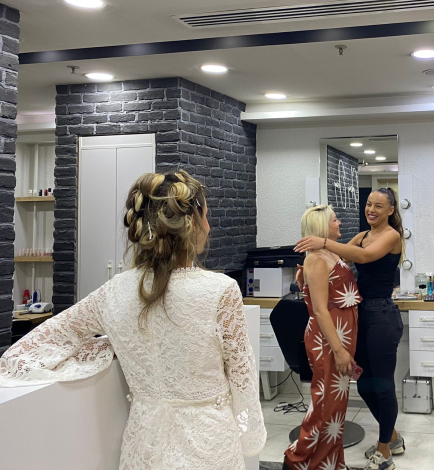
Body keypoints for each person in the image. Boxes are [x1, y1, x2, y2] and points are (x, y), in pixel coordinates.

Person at [0, 170, 266, 469]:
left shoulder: (113, 291)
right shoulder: (221, 290)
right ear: (193, 222)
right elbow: (242, 376)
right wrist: (250, 438)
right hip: (209, 441)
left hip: (144, 441)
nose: (209, 224)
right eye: (207, 215)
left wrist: (109, 346)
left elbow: (34, 346)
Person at [295, 188, 404, 470]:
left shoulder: (391, 235)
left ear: (390, 211)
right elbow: (341, 260)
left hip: (381, 316)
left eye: (378, 206)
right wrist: (308, 270)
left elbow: (363, 257)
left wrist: (322, 242)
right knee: (364, 383)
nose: (371, 210)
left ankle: (385, 450)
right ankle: (392, 436)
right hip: (361, 317)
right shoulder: (363, 235)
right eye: (369, 204)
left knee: (383, 385)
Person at [283, 205, 361, 470]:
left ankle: (331, 463)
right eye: (335, 220)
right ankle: (297, 460)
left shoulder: (330, 254)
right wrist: (339, 350)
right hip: (328, 341)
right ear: (321, 226)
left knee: (335, 409)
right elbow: (319, 309)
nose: (339, 223)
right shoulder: (316, 259)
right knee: (325, 406)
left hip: (339, 337)